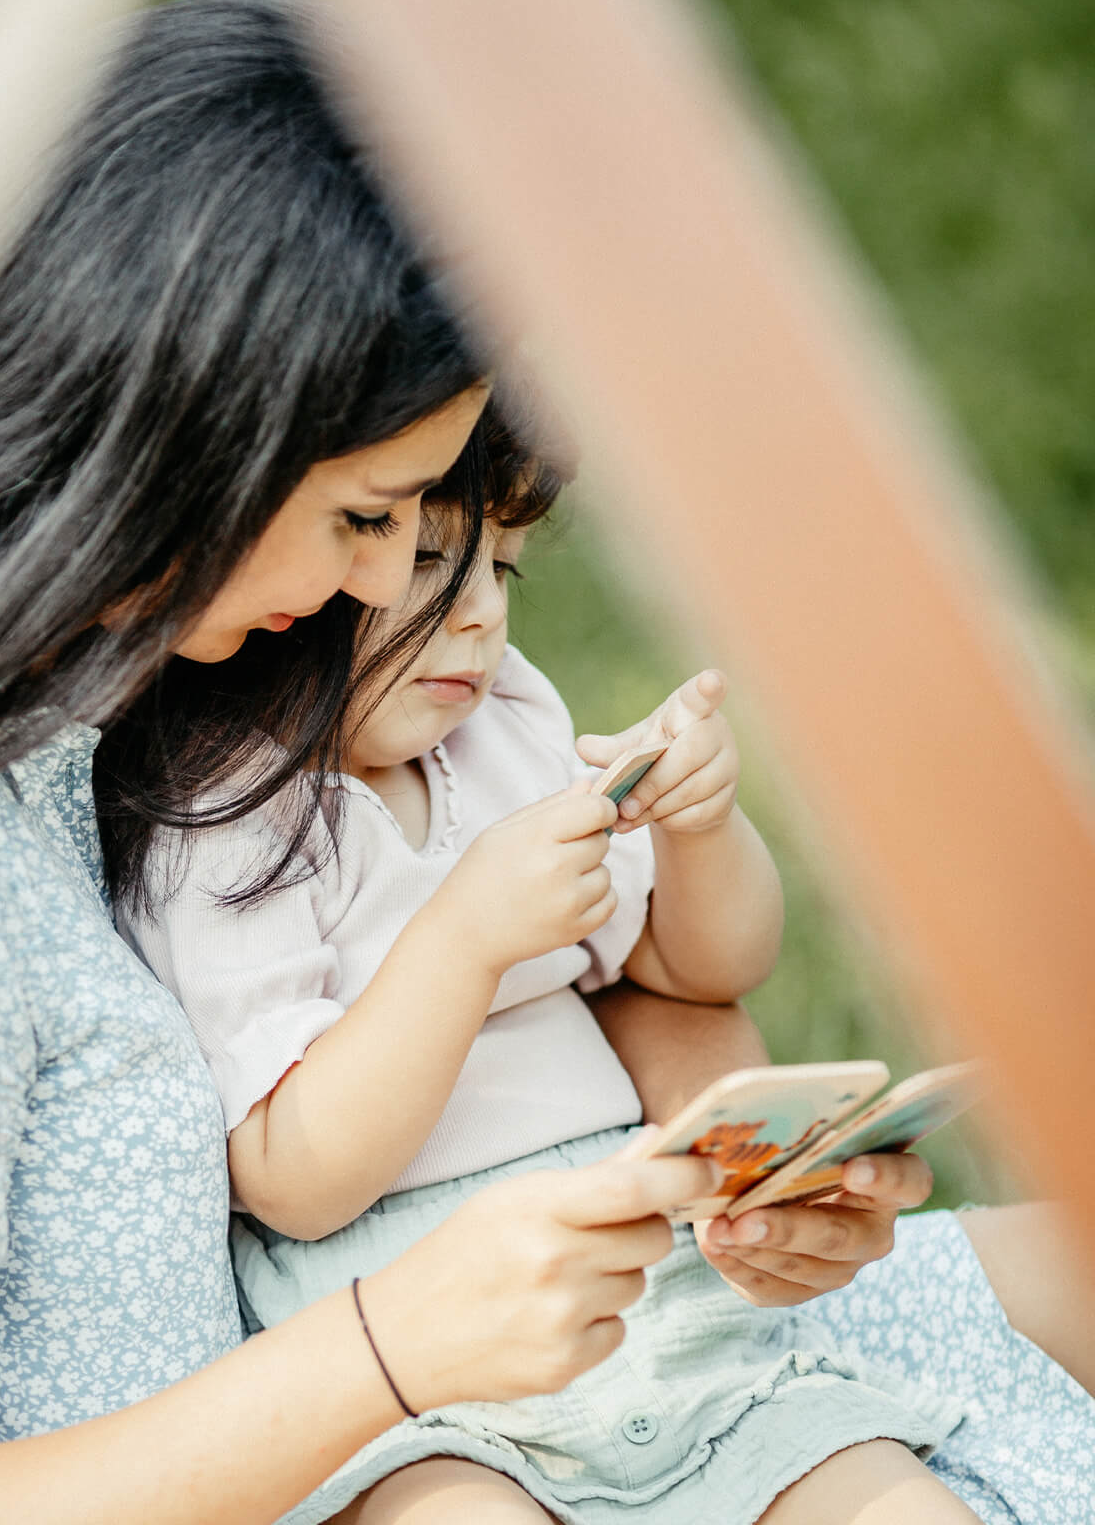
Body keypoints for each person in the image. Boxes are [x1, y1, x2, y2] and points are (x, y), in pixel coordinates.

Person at [0, 0, 1082, 1525]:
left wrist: (746, 1176)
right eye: (366, 517)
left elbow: (608, 984)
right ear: (189, 432)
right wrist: (395, 1349)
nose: (390, 585)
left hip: (554, 1356)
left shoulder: (133, 662)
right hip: (390, 1448)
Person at [116, 412, 981, 1524]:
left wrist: (700, 831)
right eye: (428, 558)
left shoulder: (501, 734)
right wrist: (464, 939)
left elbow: (691, 968)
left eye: (504, 567)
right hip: (423, 1381)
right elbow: (296, 1178)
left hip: (669, 1312)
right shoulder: (226, 816)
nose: (481, 611)